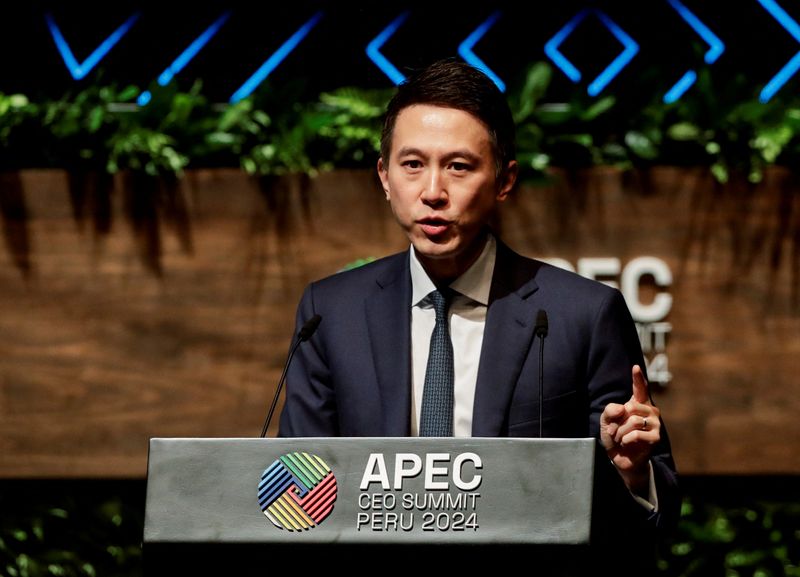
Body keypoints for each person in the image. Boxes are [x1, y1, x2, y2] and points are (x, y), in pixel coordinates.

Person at [279, 58, 678, 568]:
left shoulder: (583, 314)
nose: (432, 193)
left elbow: (656, 512)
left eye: (459, 166)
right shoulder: (330, 312)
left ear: (505, 180)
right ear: (383, 176)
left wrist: (627, 472)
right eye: (412, 164)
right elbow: (298, 488)